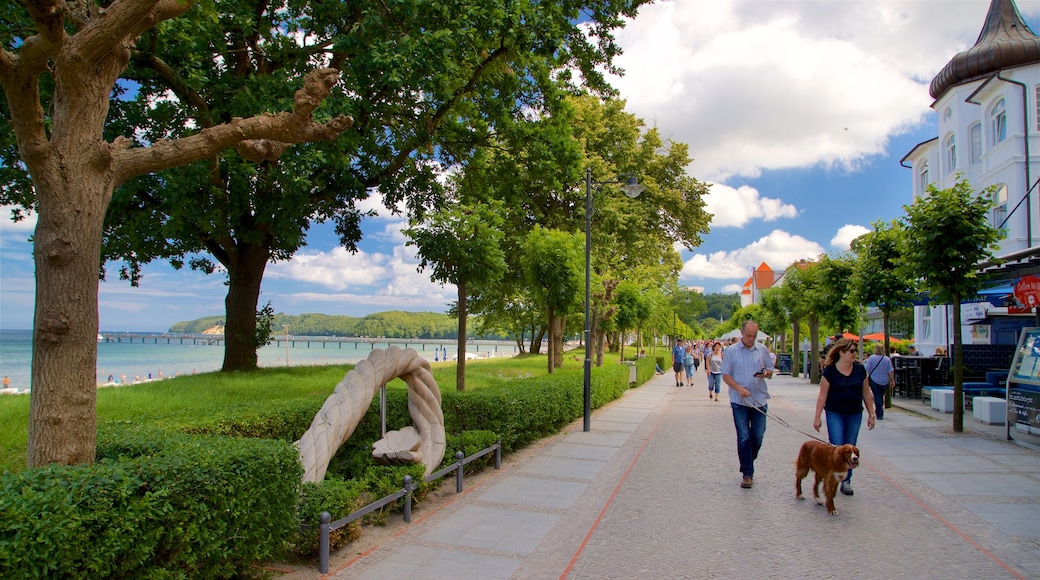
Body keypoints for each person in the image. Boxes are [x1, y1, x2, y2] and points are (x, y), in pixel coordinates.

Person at [813, 338, 876, 496]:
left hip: (854, 413)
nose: (855, 354)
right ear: (842, 352)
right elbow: (822, 395)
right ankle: (833, 476)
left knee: (851, 448)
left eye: (855, 351)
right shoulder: (830, 371)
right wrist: (817, 417)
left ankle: (846, 480)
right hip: (835, 412)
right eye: (852, 351)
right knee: (837, 447)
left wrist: (872, 413)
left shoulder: (860, 370)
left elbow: (866, 393)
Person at [721, 321, 775, 489]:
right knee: (744, 436)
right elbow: (725, 375)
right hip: (739, 401)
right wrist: (738, 388)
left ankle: (748, 459)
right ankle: (747, 474)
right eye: (748, 335)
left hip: (759, 399)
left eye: (754, 336)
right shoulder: (731, 351)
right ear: (742, 333)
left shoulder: (762, 350)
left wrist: (765, 374)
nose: (751, 339)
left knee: (758, 436)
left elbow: (770, 370)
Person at [864, 344, 895, 420]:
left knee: (877, 396)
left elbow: (867, 368)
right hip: (885, 381)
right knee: (880, 396)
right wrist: (892, 380)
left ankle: (879, 413)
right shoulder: (887, 359)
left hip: (874, 380)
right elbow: (890, 370)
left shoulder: (871, 358)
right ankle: (879, 410)